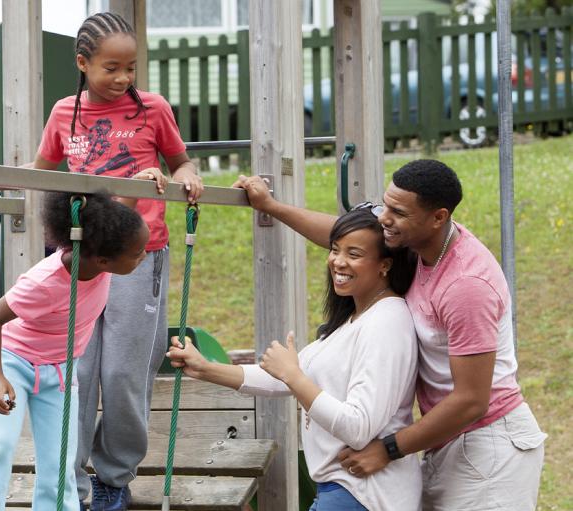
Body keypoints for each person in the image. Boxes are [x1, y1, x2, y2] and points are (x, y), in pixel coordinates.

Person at [233, 159, 546, 510]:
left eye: (397, 212)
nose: (384, 218)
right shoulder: (419, 242)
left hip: (489, 445)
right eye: (386, 204)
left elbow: (472, 400)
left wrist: (389, 448)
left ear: (438, 217)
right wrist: (271, 206)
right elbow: (347, 237)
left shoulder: (465, 285)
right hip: (446, 439)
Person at [31, 12, 202, 511]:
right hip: (81, 260)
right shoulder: (66, 112)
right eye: (112, 68)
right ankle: (73, 483)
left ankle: (114, 476)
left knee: (125, 373)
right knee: (77, 371)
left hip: (138, 255)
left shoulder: (152, 109)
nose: (124, 78)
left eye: (131, 67)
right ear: (83, 63)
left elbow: (181, 161)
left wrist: (185, 176)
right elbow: (39, 172)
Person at [167, 207, 422, 510]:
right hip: (342, 490)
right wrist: (206, 368)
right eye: (335, 249)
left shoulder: (387, 322)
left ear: (384, 265)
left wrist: (294, 377)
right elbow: (281, 379)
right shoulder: (353, 319)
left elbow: (358, 427)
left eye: (354, 254)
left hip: (366, 495)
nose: (338, 261)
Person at [0, 192, 149, 511]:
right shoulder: (43, 282)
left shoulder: (102, 242)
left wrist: (139, 184)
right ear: (104, 260)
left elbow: (118, 214)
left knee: (60, 459)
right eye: (138, 254)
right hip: (14, 364)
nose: (143, 257)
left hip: (59, 371)